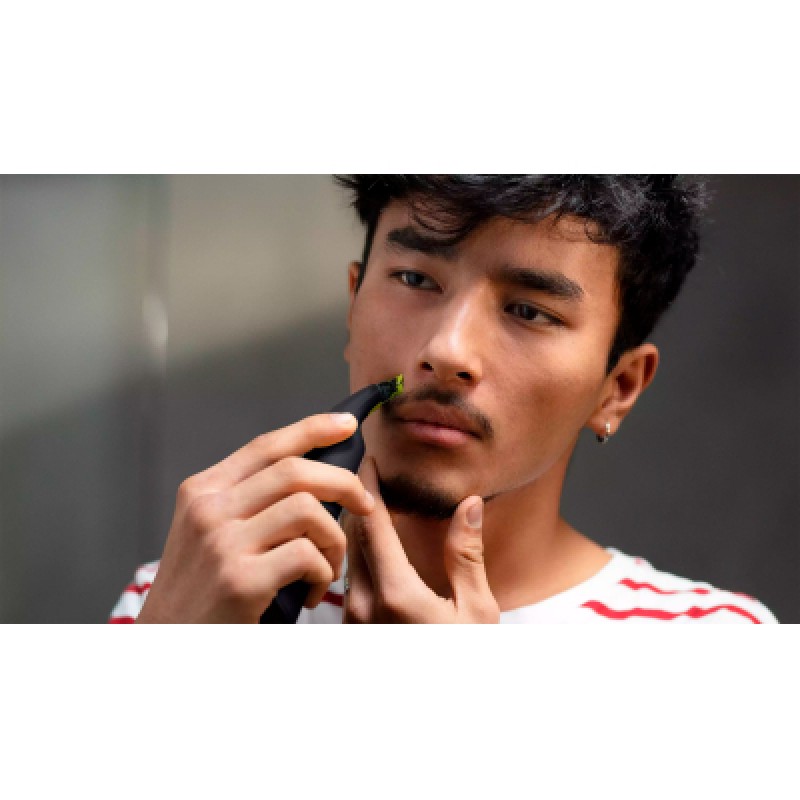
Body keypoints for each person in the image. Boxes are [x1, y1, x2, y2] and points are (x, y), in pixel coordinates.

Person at [110, 175, 778, 624]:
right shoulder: (195, 594)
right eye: (413, 278)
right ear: (352, 305)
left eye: (529, 310)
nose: (447, 350)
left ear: (618, 387)